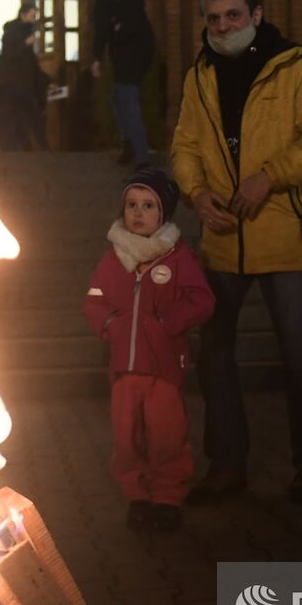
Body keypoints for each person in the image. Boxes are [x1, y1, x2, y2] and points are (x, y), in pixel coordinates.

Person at [170, 0, 302, 503]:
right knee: (214, 352)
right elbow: (185, 145)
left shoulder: (295, 68)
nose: (222, 26)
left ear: (257, 15)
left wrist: (270, 176)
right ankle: (226, 465)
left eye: (233, 16)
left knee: (298, 357)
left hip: (284, 240)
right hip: (223, 238)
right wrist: (197, 195)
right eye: (214, 17)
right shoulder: (199, 75)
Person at [82, 168, 216, 532]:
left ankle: (167, 498)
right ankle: (137, 496)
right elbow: (93, 300)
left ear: (164, 214)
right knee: (127, 438)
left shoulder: (175, 258)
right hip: (124, 371)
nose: (138, 213)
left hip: (163, 368)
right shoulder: (115, 259)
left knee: (166, 436)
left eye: (147, 206)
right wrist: (110, 324)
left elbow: (202, 300)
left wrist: (168, 323)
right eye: (131, 205)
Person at [91, 0, 157, 165]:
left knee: (128, 100)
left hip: (124, 55)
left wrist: (96, 58)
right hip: (143, 52)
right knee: (118, 96)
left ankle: (141, 155)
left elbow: (101, 29)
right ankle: (129, 144)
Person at [0, 9, 50, 150]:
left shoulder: (25, 31)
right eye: (32, 15)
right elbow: (9, 55)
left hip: (22, 83)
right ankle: (42, 147)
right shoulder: (13, 32)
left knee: (18, 116)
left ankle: (25, 147)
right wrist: (25, 44)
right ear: (23, 15)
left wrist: (47, 81)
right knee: (30, 115)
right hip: (14, 83)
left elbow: (31, 63)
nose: (35, 18)